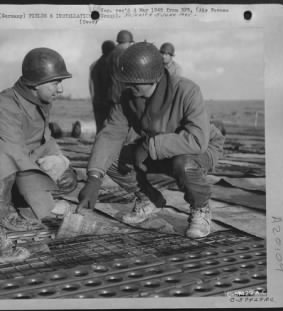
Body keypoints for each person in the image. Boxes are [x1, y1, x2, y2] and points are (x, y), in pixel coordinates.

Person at [77, 42, 225, 239]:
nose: (128, 86)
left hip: (201, 149)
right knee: (111, 159)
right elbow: (110, 134)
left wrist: (150, 146)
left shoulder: (187, 91)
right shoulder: (127, 98)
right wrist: (94, 177)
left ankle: (201, 208)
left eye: (134, 82)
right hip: (158, 150)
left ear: (153, 78)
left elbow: (197, 140)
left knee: (184, 164)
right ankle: (149, 199)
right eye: (126, 82)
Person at [0, 48, 77, 263]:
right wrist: (47, 205)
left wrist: (62, 163)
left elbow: (42, 141)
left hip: (9, 160)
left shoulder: (39, 102)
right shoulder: (6, 105)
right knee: (5, 154)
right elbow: (17, 157)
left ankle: (10, 213)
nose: (61, 89)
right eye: (55, 83)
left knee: (59, 172)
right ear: (35, 85)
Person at [89, 40, 116, 132]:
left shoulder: (93, 65)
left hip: (97, 101)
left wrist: (94, 100)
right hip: (108, 101)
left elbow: (91, 85)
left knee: (100, 128)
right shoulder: (111, 64)